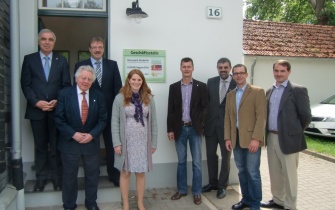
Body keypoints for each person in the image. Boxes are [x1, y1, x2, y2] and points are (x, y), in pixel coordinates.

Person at [20, 28, 71, 192]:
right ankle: (40, 180)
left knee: (56, 146)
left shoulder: (61, 61)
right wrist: (36, 102)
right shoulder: (29, 60)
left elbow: (66, 85)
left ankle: (57, 180)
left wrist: (58, 101)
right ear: (39, 41)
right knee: (41, 147)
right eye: (44, 39)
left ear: (54, 42)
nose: (47, 42)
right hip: (37, 111)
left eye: (50, 39)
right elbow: (25, 84)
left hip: (56, 111)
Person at [261, 60, 311, 210]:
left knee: (290, 176)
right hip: (271, 137)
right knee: (275, 173)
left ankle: (290, 205)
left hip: (289, 139)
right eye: (276, 71)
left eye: (282, 71)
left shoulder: (297, 90)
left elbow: (306, 116)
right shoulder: (269, 91)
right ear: (273, 72)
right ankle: (278, 200)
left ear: (289, 72)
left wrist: (295, 131)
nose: (279, 74)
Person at [55, 65, 107, 210]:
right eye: (83, 78)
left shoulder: (98, 96)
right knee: (69, 177)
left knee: (92, 175)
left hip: (90, 143)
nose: (86, 81)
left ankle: (91, 203)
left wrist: (92, 135)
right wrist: (73, 134)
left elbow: (103, 119)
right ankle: (69, 205)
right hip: (70, 143)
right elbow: (59, 119)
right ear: (77, 78)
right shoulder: (64, 94)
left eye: (89, 79)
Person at [74, 37, 122, 186]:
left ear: (103, 49)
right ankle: (93, 174)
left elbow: (118, 89)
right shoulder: (80, 65)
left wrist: (118, 111)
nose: (97, 50)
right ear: (89, 48)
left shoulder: (112, 65)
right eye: (94, 47)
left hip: (109, 112)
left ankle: (114, 174)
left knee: (111, 144)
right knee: (91, 145)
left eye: (100, 47)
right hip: (89, 113)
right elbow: (76, 89)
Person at [112, 69, 158, 210]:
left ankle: (140, 203)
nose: (136, 82)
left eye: (139, 79)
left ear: (142, 81)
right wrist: (117, 143)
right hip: (126, 142)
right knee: (125, 172)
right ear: (129, 80)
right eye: (133, 79)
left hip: (143, 142)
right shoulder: (120, 98)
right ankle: (125, 204)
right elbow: (114, 122)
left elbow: (154, 122)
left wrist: (153, 143)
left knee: (140, 172)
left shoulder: (148, 98)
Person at [224, 64, 266, 210]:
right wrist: (227, 138)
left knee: (253, 173)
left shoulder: (257, 91)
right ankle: (246, 200)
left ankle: (255, 204)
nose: (238, 76)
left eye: (241, 73)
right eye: (236, 73)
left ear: (246, 75)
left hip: (251, 140)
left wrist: (256, 138)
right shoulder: (230, 95)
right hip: (236, 140)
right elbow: (228, 118)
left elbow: (261, 117)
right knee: (242, 171)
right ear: (233, 76)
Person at [167, 57, 208, 205]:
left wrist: (201, 124)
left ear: (193, 68)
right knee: (181, 162)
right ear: (180, 68)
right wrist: (170, 129)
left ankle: (197, 192)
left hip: (195, 129)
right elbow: (170, 110)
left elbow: (205, 108)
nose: (186, 69)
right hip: (180, 129)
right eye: (184, 66)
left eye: (188, 66)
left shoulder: (201, 86)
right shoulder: (173, 87)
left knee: (197, 162)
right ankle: (182, 190)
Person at [202, 58, 236, 199]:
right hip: (210, 127)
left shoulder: (236, 83)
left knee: (226, 157)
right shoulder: (211, 82)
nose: (223, 69)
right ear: (217, 68)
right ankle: (213, 183)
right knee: (210, 155)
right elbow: (206, 104)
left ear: (230, 68)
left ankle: (222, 186)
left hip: (227, 128)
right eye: (220, 67)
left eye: (226, 67)